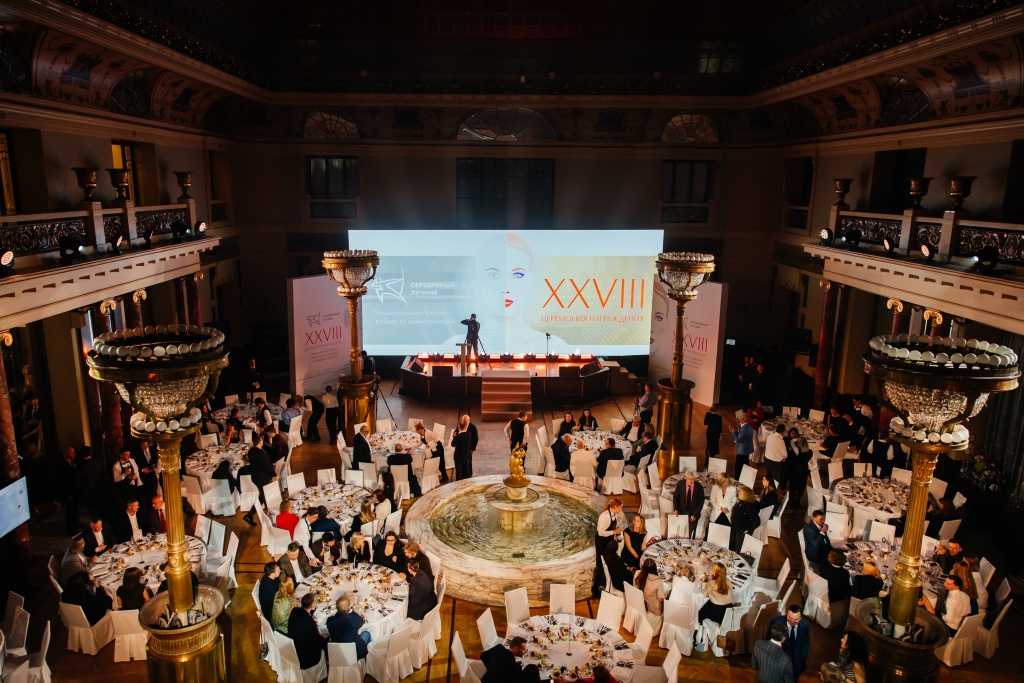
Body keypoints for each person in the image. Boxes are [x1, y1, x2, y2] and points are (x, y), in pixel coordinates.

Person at [241, 433, 277, 526]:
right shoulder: (262, 455)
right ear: (260, 442)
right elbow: (268, 467)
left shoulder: (251, 451)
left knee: (262, 497)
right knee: (266, 497)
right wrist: (274, 475)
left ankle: (249, 516)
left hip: (255, 477)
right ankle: (271, 518)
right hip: (263, 478)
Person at [770, 604, 810, 680]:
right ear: (786, 614)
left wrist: (802, 657)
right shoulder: (776, 623)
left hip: (796, 661)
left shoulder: (805, 626)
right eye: (789, 617)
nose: (792, 621)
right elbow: (770, 642)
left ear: (800, 618)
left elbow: (806, 643)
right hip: (780, 659)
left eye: (795, 619)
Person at [593, 497, 624, 596]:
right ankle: (595, 588)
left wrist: (617, 534)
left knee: (608, 561)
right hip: (602, 541)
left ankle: (605, 581)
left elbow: (613, 528)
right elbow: (601, 532)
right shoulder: (605, 516)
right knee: (600, 564)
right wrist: (614, 532)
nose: (621, 509)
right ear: (615, 506)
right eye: (620, 507)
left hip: (608, 540)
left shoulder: (615, 514)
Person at [289, 593, 328, 669]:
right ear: (312, 605)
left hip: (294, 646)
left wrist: (310, 617)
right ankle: (327, 661)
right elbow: (316, 641)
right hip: (306, 657)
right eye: (315, 601)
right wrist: (324, 636)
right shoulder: (310, 623)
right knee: (326, 636)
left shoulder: (295, 610)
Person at [327, 593, 371, 659]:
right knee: (366, 633)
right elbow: (362, 621)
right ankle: (367, 659)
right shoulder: (354, 618)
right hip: (355, 654)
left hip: (338, 654)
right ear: (348, 607)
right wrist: (355, 612)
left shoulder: (330, 620)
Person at [674, 469, 706, 539]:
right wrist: (676, 509)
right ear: (686, 477)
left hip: (693, 514)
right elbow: (676, 497)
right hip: (682, 512)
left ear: (695, 479)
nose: (690, 481)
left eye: (692, 479)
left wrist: (695, 514)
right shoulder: (680, 484)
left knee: (690, 534)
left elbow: (701, 503)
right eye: (688, 479)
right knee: (681, 532)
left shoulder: (699, 487)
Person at [730, 485, 761, 551]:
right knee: (733, 547)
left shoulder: (748, 506)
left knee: (739, 549)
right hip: (735, 529)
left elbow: (757, 521)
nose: (738, 493)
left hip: (741, 532)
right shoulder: (741, 502)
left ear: (745, 495)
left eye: (740, 492)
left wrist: (748, 530)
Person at [57, 446, 80, 534]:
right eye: (71, 453)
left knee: (75, 508)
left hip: (75, 491)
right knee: (69, 510)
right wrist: (67, 494)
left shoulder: (74, 463)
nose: (74, 454)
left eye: (74, 452)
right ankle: (70, 529)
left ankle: (76, 523)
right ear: (66, 454)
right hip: (68, 492)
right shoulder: (62, 465)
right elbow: (63, 482)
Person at [788, 437, 813, 507]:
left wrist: (796, 439)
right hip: (804, 471)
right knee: (801, 486)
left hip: (795, 471)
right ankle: (798, 500)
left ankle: (792, 500)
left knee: (793, 486)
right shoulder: (810, 452)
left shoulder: (797, 450)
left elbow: (791, 442)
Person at [451, 416, 475, 480]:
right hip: (466, 456)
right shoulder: (469, 435)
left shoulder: (457, 437)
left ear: (459, 428)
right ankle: (468, 482)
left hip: (458, 457)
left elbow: (452, 444)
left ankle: (459, 484)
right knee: (467, 471)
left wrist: (454, 437)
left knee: (459, 472)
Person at [731, 413, 755, 479]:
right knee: (745, 465)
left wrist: (733, 433)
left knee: (738, 467)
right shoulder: (748, 426)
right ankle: (746, 478)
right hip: (746, 450)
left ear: (743, 419)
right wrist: (736, 432)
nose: (739, 418)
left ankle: (737, 479)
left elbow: (738, 439)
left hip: (742, 451)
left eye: (740, 417)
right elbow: (741, 435)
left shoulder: (744, 428)